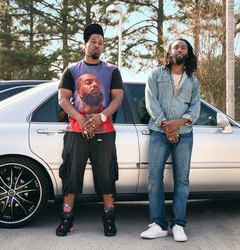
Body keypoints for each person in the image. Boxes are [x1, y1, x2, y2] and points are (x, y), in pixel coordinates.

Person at [56, 23, 124, 237]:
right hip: (76, 131)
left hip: (105, 131)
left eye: (101, 43)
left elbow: (118, 98)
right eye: (93, 41)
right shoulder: (72, 70)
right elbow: (63, 99)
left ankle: (109, 219)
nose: (97, 45)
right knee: (71, 176)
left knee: (106, 175)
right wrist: (80, 119)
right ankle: (67, 218)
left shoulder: (112, 70)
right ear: (85, 44)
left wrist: (101, 116)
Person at [140, 38, 201, 242]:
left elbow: (195, 109)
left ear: (188, 53)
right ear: (169, 51)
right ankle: (158, 224)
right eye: (176, 46)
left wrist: (178, 124)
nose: (179, 50)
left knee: (182, 180)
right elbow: (151, 102)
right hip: (159, 133)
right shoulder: (156, 75)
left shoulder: (193, 81)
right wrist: (166, 125)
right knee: (154, 178)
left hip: (184, 134)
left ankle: (178, 224)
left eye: (183, 47)